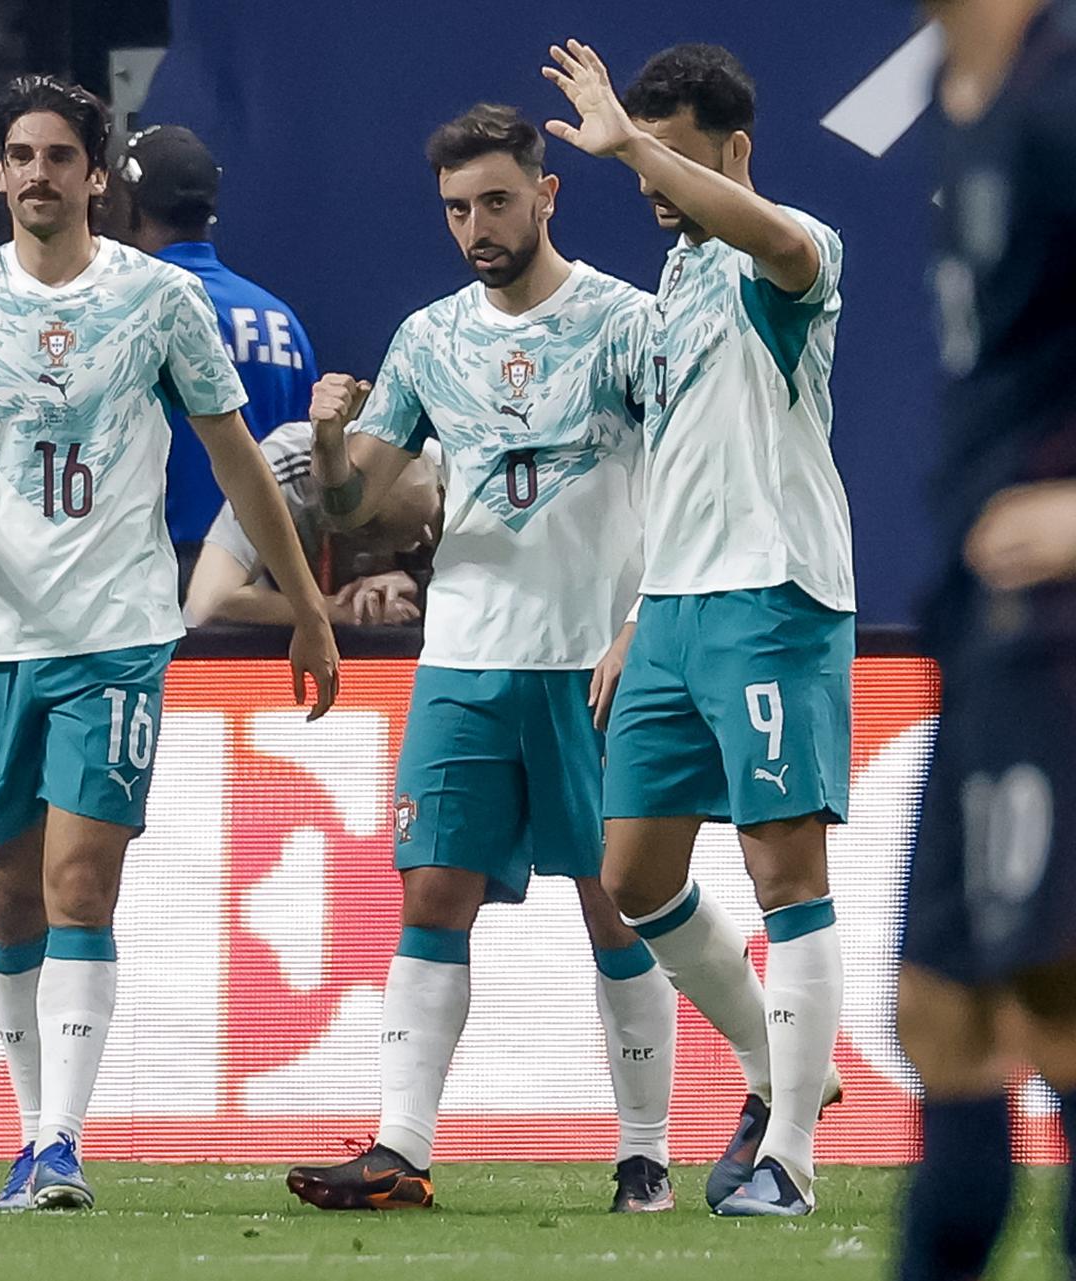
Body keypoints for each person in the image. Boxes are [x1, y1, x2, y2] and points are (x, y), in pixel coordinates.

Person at [0, 73, 339, 1212]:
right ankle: (27, 1131)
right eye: (19, 157)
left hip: (115, 636)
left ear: (98, 175)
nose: (37, 174)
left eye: (59, 156)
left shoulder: (157, 302)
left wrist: (304, 603)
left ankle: (61, 1145)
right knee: (8, 902)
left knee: (78, 883)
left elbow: (240, 456)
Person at [282, 104, 678, 1216]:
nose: (476, 227)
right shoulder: (428, 338)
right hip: (462, 657)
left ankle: (644, 1153)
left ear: (548, 194)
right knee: (432, 890)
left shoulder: (628, 325)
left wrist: (643, 622)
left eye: (497, 201)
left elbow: (695, 479)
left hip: (591, 661)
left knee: (621, 908)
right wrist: (324, 441)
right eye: (457, 209)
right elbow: (357, 499)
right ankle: (401, 1150)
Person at [544, 41, 853, 1217]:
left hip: (773, 593)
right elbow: (679, 461)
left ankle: (789, 1160)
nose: (652, 182)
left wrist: (631, 141)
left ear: (736, 152)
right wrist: (637, 611)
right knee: (632, 874)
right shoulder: (672, 288)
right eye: (639, 161)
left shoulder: (794, 247)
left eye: (674, 156)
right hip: (673, 609)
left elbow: (775, 242)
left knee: (785, 871)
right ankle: (788, 1072)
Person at [897, 1, 1076, 1276]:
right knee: (941, 1020)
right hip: (984, 628)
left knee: (1061, 1013)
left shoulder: (1064, 95)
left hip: (1063, 635)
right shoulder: (970, 101)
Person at [103, 124, 318, 582]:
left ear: (132, 207)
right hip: (267, 577)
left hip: (154, 570)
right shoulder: (280, 320)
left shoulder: (124, 310)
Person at [181, 418, 441, 628]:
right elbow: (208, 602)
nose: (429, 538)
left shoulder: (459, 469)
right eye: (409, 541)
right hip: (280, 634)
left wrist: (421, 590)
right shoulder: (284, 467)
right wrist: (344, 611)